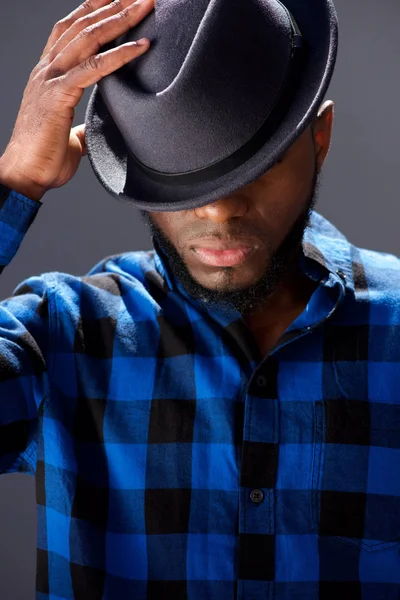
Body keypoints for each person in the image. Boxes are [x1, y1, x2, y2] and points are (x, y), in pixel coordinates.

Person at [0, 0, 399, 598]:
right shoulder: (63, 332)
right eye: (183, 178)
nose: (218, 210)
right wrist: (15, 183)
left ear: (320, 138)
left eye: (256, 166)